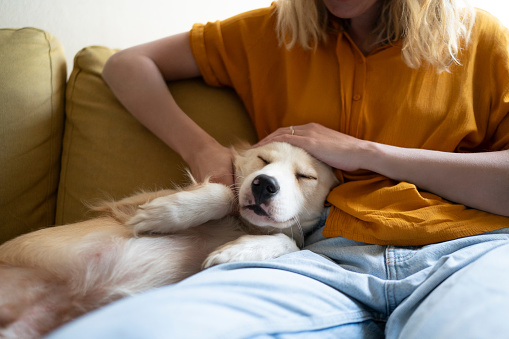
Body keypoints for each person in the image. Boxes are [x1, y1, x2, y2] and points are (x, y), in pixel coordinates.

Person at [48, 0, 509, 337]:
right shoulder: (274, 31)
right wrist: (204, 152)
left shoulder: (481, 39)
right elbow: (127, 65)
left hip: (463, 252)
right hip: (314, 259)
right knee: (130, 331)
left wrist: (369, 153)